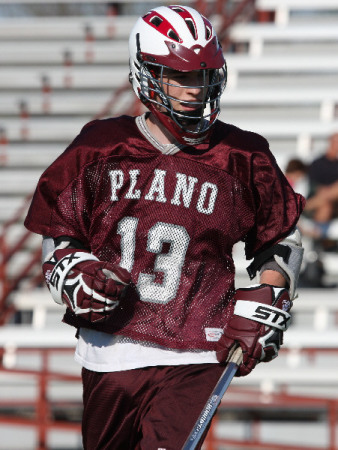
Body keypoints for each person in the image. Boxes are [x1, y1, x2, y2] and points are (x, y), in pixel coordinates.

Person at [24, 5, 305, 449]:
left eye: (204, 77)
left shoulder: (242, 155)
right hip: (111, 347)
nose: (196, 91)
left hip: (198, 347)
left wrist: (270, 292)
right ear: (146, 73)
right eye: (182, 77)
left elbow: (282, 238)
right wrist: (70, 271)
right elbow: (59, 232)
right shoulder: (100, 146)